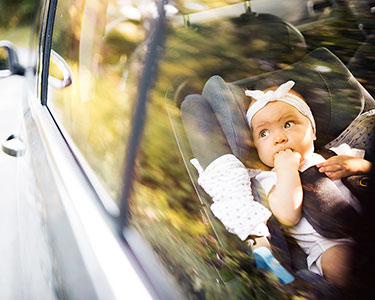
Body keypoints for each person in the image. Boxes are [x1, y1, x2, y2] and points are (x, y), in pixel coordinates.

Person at [244, 80, 372, 287]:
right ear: (257, 148)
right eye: (264, 133)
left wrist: (359, 165)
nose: (278, 138)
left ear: (312, 131)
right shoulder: (268, 179)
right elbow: (288, 215)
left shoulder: (338, 153)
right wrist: (287, 169)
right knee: (340, 263)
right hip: (330, 245)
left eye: (288, 124)